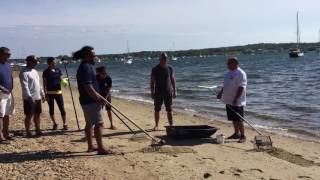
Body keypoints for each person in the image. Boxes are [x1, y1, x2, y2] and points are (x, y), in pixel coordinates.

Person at [74, 46, 112, 155]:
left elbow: (91, 87)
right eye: (93, 55)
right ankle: (101, 148)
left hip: (88, 100)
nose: (95, 56)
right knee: (99, 124)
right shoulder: (85, 67)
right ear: (87, 56)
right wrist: (99, 98)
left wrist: (99, 97)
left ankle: (91, 146)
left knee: (89, 123)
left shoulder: (87, 66)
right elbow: (88, 87)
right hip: (90, 101)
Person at [217, 57, 247, 143]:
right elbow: (225, 85)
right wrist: (220, 93)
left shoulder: (240, 73)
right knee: (233, 118)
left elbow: (242, 87)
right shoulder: (228, 73)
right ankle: (236, 133)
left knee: (239, 119)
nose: (227, 65)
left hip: (237, 101)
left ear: (235, 63)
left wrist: (236, 99)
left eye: (229, 63)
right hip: (228, 99)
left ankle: (243, 135)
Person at [19, 55, 45, 138]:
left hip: (38, 97)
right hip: (29, 98)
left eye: (36, 61)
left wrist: (42, 94)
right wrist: (30, 98)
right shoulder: (23, 72)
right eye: (34, 61)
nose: (36, 63)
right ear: (29, 61)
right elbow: (25, 87)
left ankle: (38, 130)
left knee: (37, 114)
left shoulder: (34, 71)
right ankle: (28, 132)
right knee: (29, 115)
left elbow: (39, 84)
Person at [150, 52, 177, 131]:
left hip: (168, 92)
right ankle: (156, 125)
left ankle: (171, 125)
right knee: (157, 109)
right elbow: (152, 81)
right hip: (158, 92)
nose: (165, 60)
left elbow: (173, 79)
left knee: (169, 109)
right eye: (163, 59)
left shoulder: (170, 68)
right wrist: (152, 92)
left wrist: (175, 90)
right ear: (160, 59)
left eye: (166, 58)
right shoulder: (155, 69)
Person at [42, 57, 67, 130]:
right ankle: (54, 123)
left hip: (59, 92)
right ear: (49, 63)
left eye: (55, 62)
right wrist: (45, 94)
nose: (55, 64)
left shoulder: (58, 70)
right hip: (50, 93)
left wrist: (65, 81)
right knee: (51, 109)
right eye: (53, 63)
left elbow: (61, 79)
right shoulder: (46, 72)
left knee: (62, 108)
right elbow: (44, 84)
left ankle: (65, 124)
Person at [0, 47, 14, 143]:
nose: (9, 56)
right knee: (0, 114)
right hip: (1, 93)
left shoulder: (8, 65)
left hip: (9, 93)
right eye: (7, 54)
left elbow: (10, 77)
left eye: (10, 54)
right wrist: (1, 88)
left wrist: (11, 87)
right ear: (1, 54)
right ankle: (0, 137)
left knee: (7, 114)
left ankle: (6, 133)